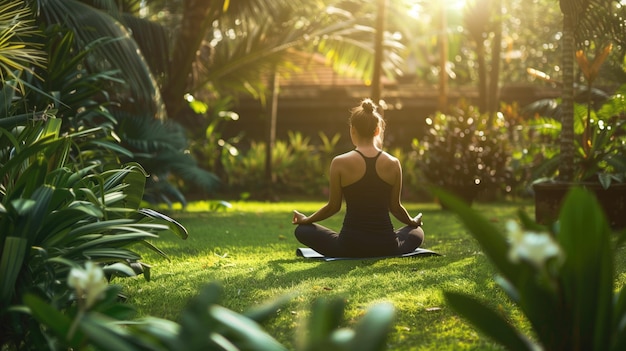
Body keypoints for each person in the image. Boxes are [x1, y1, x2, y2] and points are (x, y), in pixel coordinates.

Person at [292, 98, 424, 258]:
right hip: (386, 245)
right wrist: (413, 222)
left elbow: (333, 207)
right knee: (417, 231)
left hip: (349, 245)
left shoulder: (339, 162)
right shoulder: (393, 163)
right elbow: (395, 207)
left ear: (352, 129)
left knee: (302, 231)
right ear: (377, 130)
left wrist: (306, 220)